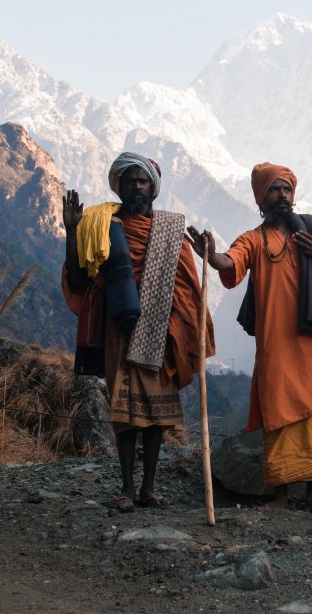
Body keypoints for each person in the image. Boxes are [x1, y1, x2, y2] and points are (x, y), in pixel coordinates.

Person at [186, 162, 312, 515]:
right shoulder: (254, 239)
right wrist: (210, 255)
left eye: (286, 190)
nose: (282, 195)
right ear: (261, 200)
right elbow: (229, 262)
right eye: (274, 190)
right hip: (278, 347)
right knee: (280, 414)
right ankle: (280, 496)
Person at [61, 152, 214, 511]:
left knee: (156, 418)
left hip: (162, 330)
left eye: (143, 181)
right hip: (120, 328)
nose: (137, 187)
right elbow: (79, 277)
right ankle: (127, 488)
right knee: (124, 413)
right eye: (130, 181)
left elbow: (188, 289)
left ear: (153, 188)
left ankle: (149, 489)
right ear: (120, 186)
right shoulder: (101, 225)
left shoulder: (171, 231)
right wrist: (72, 230)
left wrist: (182, 323)